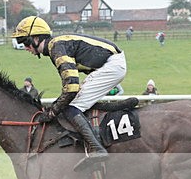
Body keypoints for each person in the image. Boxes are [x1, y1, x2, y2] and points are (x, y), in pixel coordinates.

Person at [12, 16, 126, 169]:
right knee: (72, 103)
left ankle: (97, 148)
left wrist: (53, 111)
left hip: (111, 66)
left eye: (25, 42)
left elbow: (71, 87)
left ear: (36, 38)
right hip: (111, 64)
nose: (25, 47)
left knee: (72, 108)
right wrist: (57, 106)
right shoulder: (56, 45)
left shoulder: (56, 47)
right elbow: (69, 87)